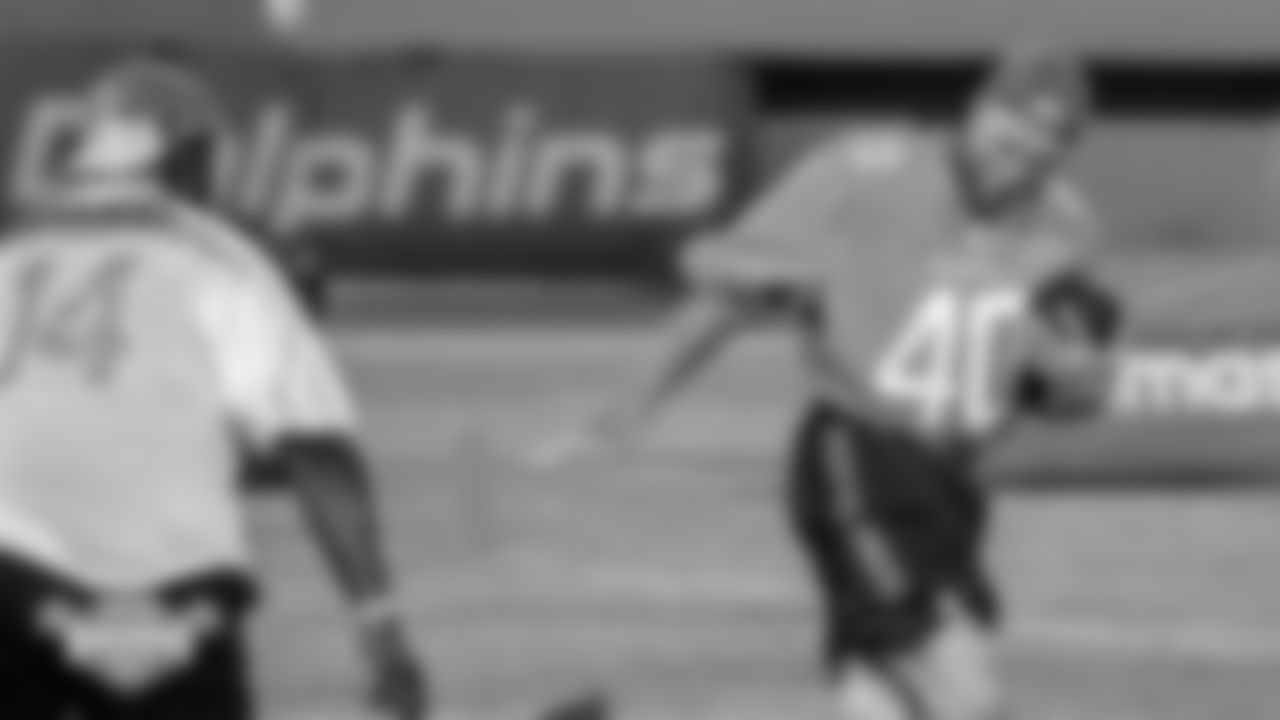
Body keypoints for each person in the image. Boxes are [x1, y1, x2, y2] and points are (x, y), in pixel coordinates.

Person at [525, 44, 1122, 720]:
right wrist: (620, 413)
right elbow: (729, 298)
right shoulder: (864, 179)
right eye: (1013, 133)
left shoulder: (1067, 231)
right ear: (979, 107)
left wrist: (1077, 381)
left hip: (952, 485)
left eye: (1049, 147)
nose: (1023, 158)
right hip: (860, 456)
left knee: (881, 701)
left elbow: (1065, 389)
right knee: (966, 687)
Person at [0, 56, 426, 719]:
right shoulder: (217, 258)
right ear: (187, 155)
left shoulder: (13, 247)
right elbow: (318, 455)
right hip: (156, 594)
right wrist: (381, 632)